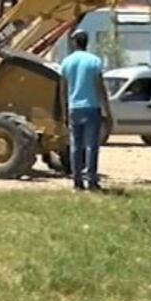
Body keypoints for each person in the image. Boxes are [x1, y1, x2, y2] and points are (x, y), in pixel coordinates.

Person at [59, 30, 111, 191]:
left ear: (74, 42)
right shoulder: (94, 61)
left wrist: (64, 112)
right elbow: (100, 86)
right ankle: (92, 181)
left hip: (74, 108)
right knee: (91, 146)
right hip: (92, 108)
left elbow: (62, 90)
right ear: (87, 42)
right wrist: (107, 109)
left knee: (75, 146)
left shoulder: (66, 62)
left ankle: (77, 182)